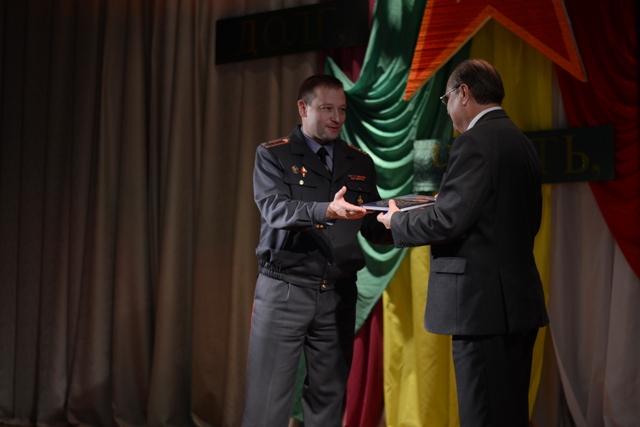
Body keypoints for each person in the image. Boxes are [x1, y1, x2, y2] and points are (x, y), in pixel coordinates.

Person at [377, 59, 549, 427]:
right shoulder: (522, 143)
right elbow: (528, 222)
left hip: (481, 309)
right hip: (519, 304)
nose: (448, 109)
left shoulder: (474, 142)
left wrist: (397, 221)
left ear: (464, 93)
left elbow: (448, 220)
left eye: (447, 99)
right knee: (510, 415)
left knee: (482, 415)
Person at [242, 74, 392, 427]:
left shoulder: (359, 161)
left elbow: (372, 225)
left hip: (338, 295)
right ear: (303, 108)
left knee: (328, 402)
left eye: (342, 110)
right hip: (285, 290)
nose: (336, 118)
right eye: (327, 109)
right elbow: (276, 210)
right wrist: (327, 210)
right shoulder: (274, 154)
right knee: (267, 404)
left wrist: (407, 219)